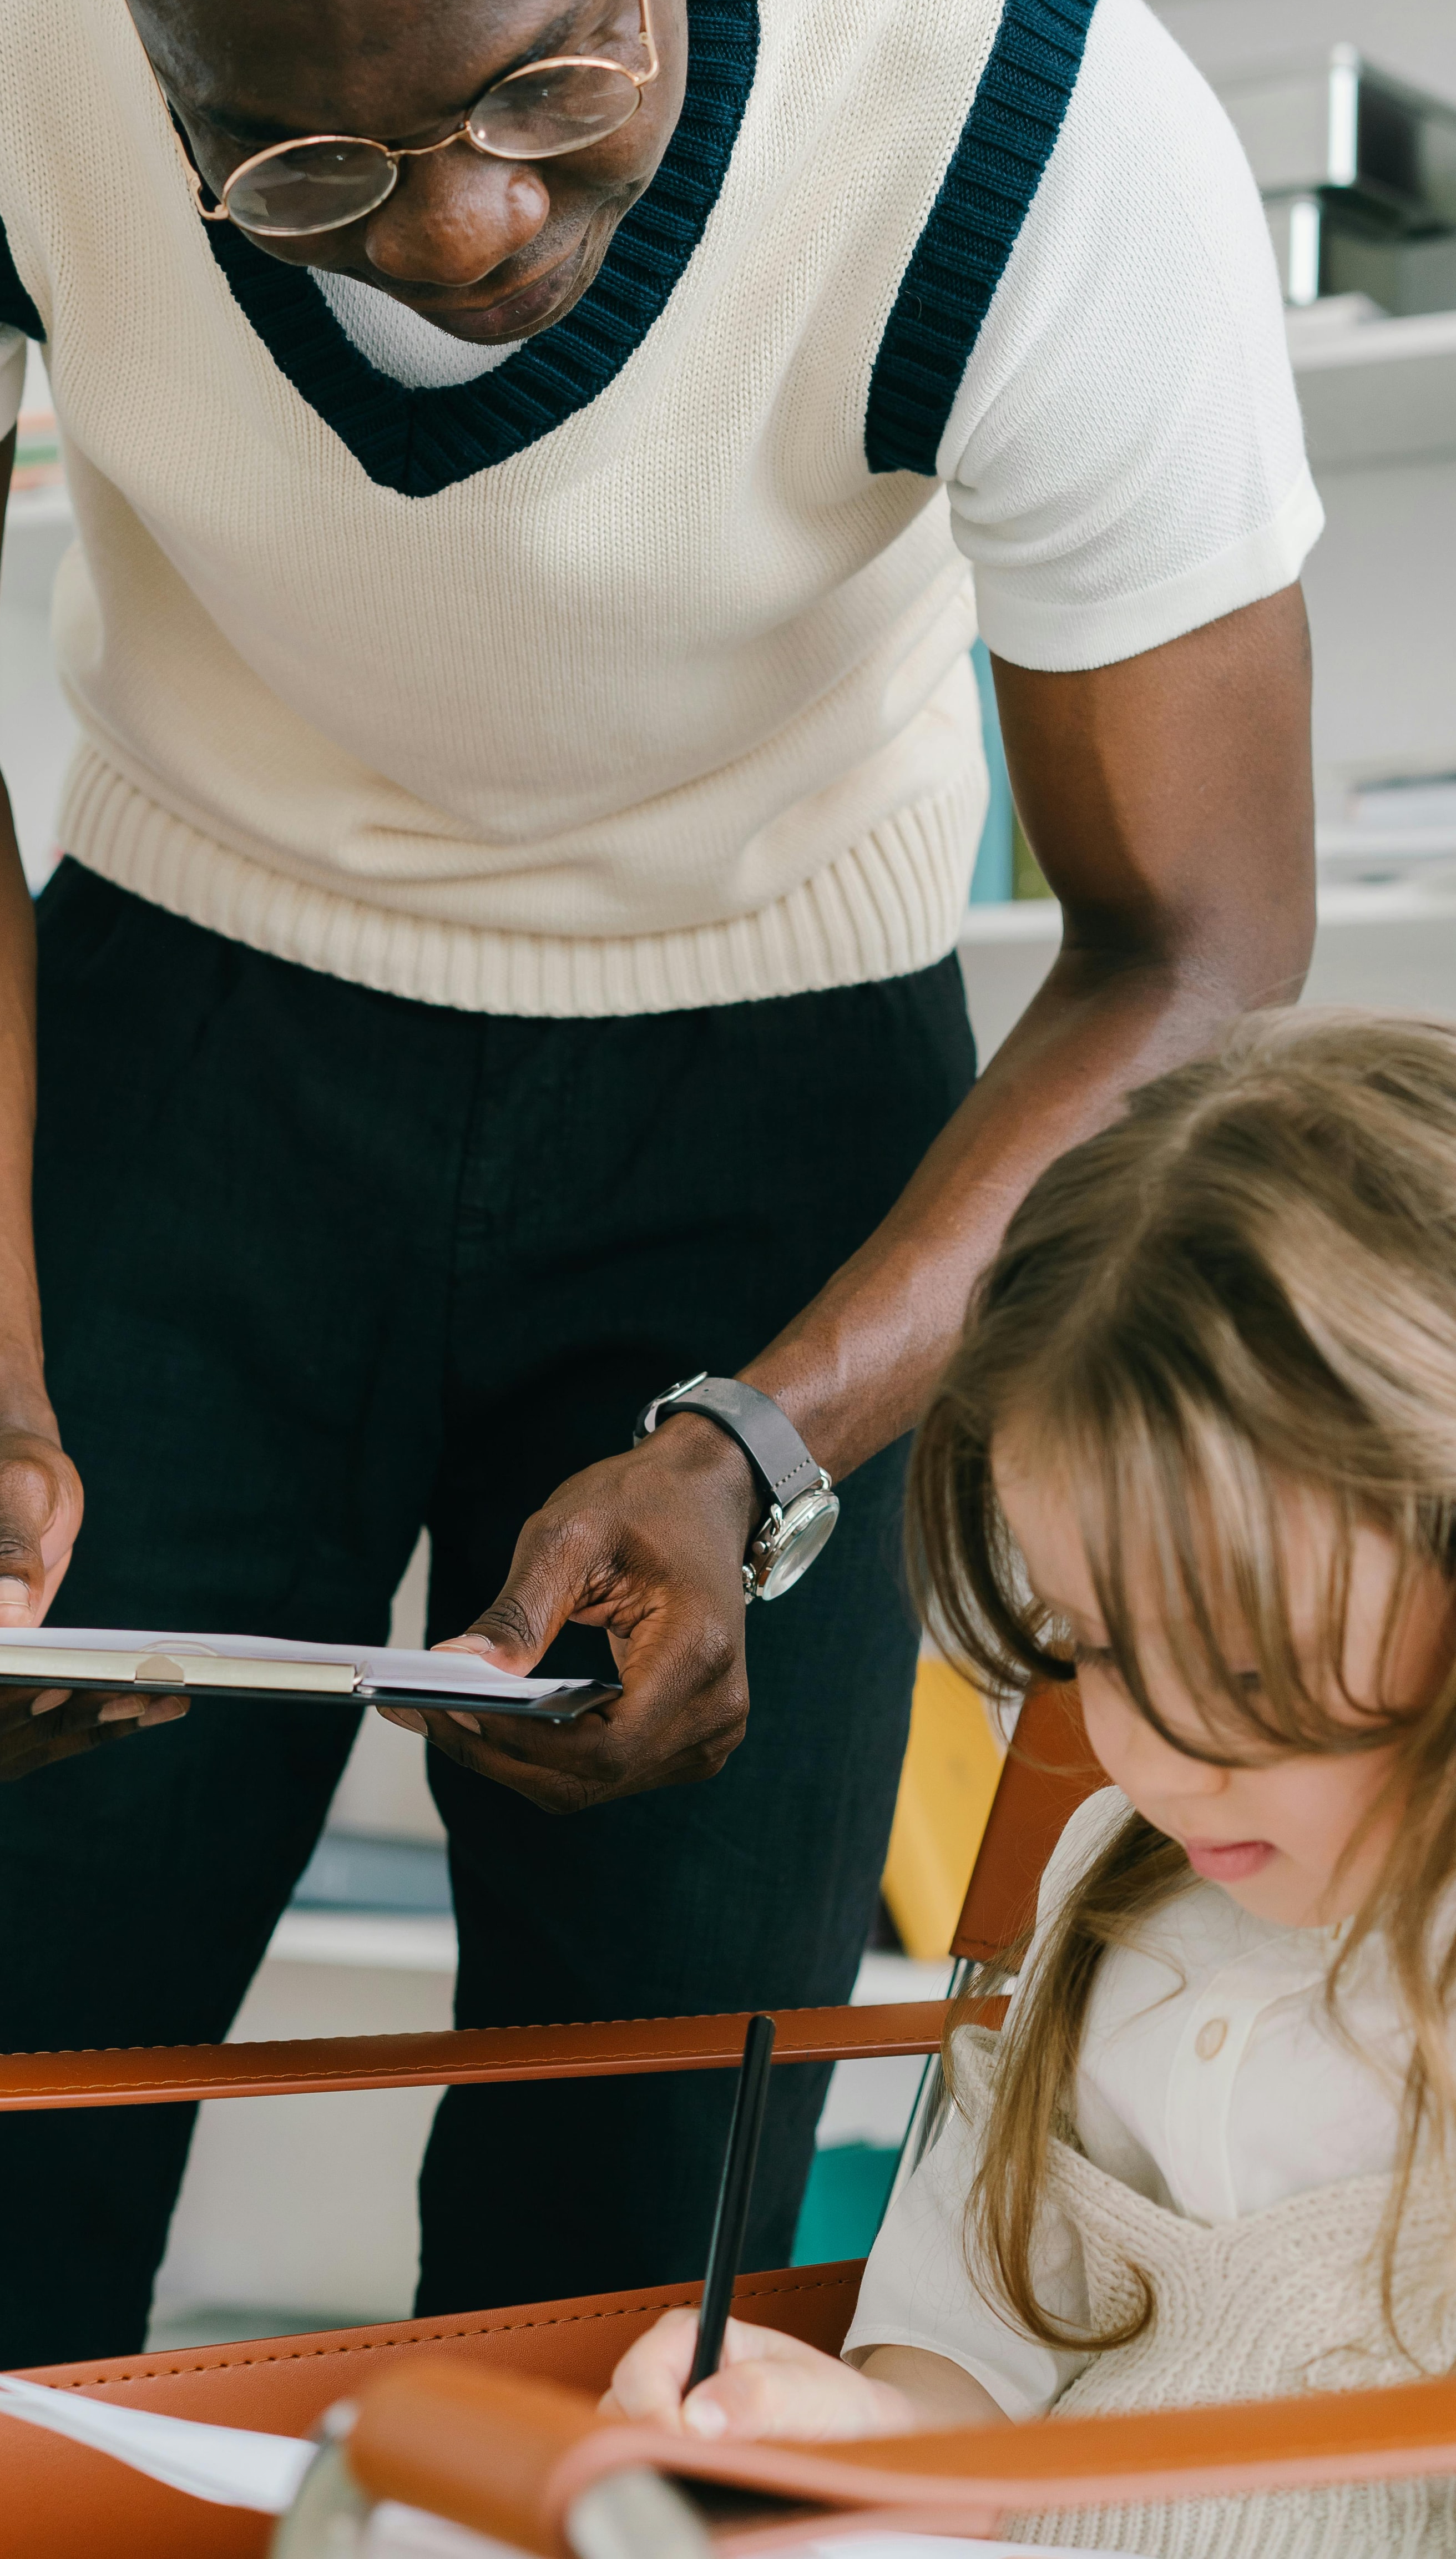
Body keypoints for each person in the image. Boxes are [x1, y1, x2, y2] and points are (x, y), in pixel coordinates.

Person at [0, 0, 1320, 2390]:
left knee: (632, 2209)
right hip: (187, 1037)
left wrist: (764, 1450)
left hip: (783, 1100)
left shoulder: (1021, 100)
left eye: (548, 84)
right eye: (297, 160)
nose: (458, 230)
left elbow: (1198, 943)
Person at [606, 1013, 1456, 2555]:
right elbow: (974, 2366)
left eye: (1254, 1670)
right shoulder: (1110, 1884)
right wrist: (843, 2436)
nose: (1159, 1759)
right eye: (1099, 1647)